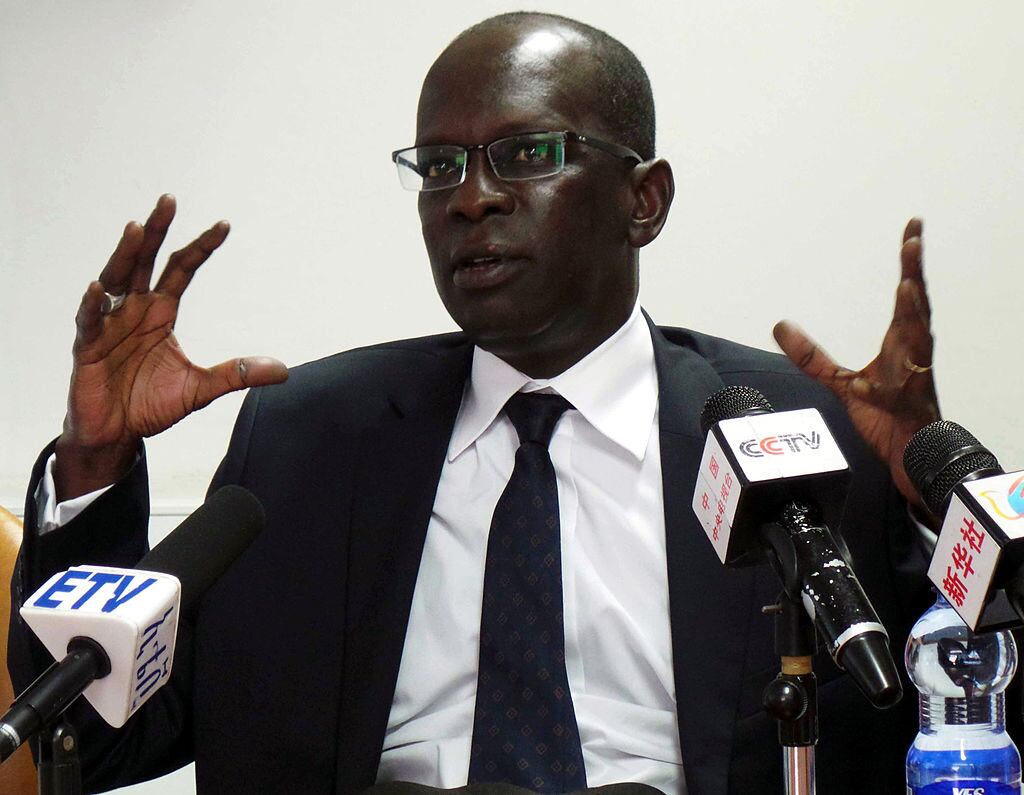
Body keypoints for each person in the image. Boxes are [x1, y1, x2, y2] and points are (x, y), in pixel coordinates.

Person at [9, 12, 939, 795]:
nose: (472, 199)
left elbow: (961, 706)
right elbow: (100, 736)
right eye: (442, 167)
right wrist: (94, 458)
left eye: (526, 154)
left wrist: (932, 484)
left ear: (644, 201)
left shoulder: (790, 432)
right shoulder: (307, 439)